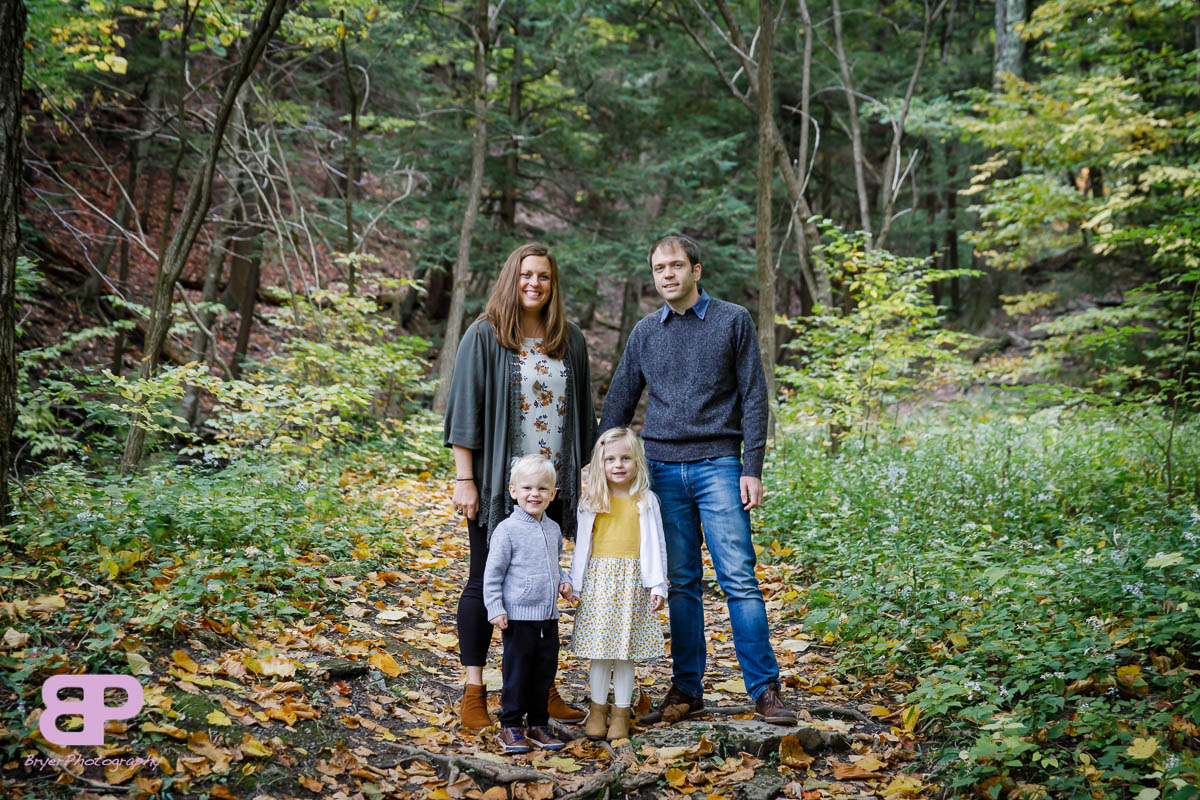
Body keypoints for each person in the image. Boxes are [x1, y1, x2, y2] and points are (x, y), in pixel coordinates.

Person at [598, 233, 797, 725]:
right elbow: (620, 400)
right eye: (659, 268)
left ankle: (765, 690)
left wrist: (752, 468)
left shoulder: (733, 320)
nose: (667, 274)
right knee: (681, 583)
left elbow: (754, 397)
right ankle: (687, 689)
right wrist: (597, 467)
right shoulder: (646, 331)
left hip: (720, 465)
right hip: (662, 471)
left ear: (696, 270)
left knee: (739, 579)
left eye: (676, 266)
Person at [443, 242, 596, 729]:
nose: (535, 283)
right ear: (513, 278)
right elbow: (464, 412)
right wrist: (465, 479)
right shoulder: (484, 335)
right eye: (527, 275)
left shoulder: (570, 339)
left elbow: (584, 416)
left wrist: (587, 478)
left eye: (544, 276)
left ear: (553, 284)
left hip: (551, 488)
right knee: (483, 579)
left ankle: (541, 690)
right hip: (500, 486)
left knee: (544, 583)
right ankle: (474, 692)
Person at [569, 427, 668, 741]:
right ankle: (598, 710)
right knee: (600, 652)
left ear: (637, 461)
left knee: (625, 653)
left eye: (626, 458)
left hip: (633, 584)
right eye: (610, 459)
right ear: (600, 464)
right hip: (599, 583)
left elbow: (657, 545)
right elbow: (582, 547)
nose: (618, 465)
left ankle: (621, 713)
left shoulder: (646, 500)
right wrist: (575, 585)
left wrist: (658, 586)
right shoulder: (592, 500)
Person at [483, 454, 574, 753]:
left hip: (548, 617)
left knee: (544, 673)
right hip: (518, 618)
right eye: (527, 488)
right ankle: (510, 725)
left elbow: (553, 565)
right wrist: (495, 607)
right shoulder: (507, 530)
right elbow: (493, 574)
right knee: (517, 673)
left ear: (553, 494)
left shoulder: (553, 528)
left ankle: (538, 724)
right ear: (513, 491)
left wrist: (564, 581)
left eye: (542, 489)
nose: (535, 494)